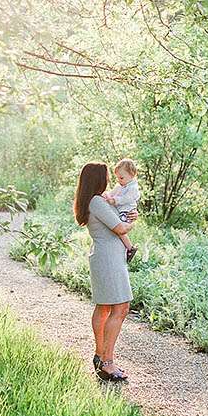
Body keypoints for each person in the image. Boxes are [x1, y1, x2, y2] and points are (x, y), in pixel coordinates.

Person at [73, 161, 137, 382]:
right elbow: (119, 227)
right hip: (108, 259)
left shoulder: (94, 201)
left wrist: (127, 218)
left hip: (107, 257)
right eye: (107, 175)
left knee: (105, 308)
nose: (110, 179)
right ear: (99, 179)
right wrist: (130, 223)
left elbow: (117, 221)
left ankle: (100, 356)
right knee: (120, 307)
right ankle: (107, 362)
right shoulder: (97, 201)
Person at [103, 158, 140, 263]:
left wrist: (115, 200)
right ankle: (127, 248)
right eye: (117, 178)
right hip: (121, 210)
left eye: (121, 177)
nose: (119, 180)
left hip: (126, 211)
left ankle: (130, 248)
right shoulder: (121, 185)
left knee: (120, 229)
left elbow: (127, 198)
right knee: (117, 228)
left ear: (131, 175)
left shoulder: (133, 188)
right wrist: (107, 195)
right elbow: (112, 193)